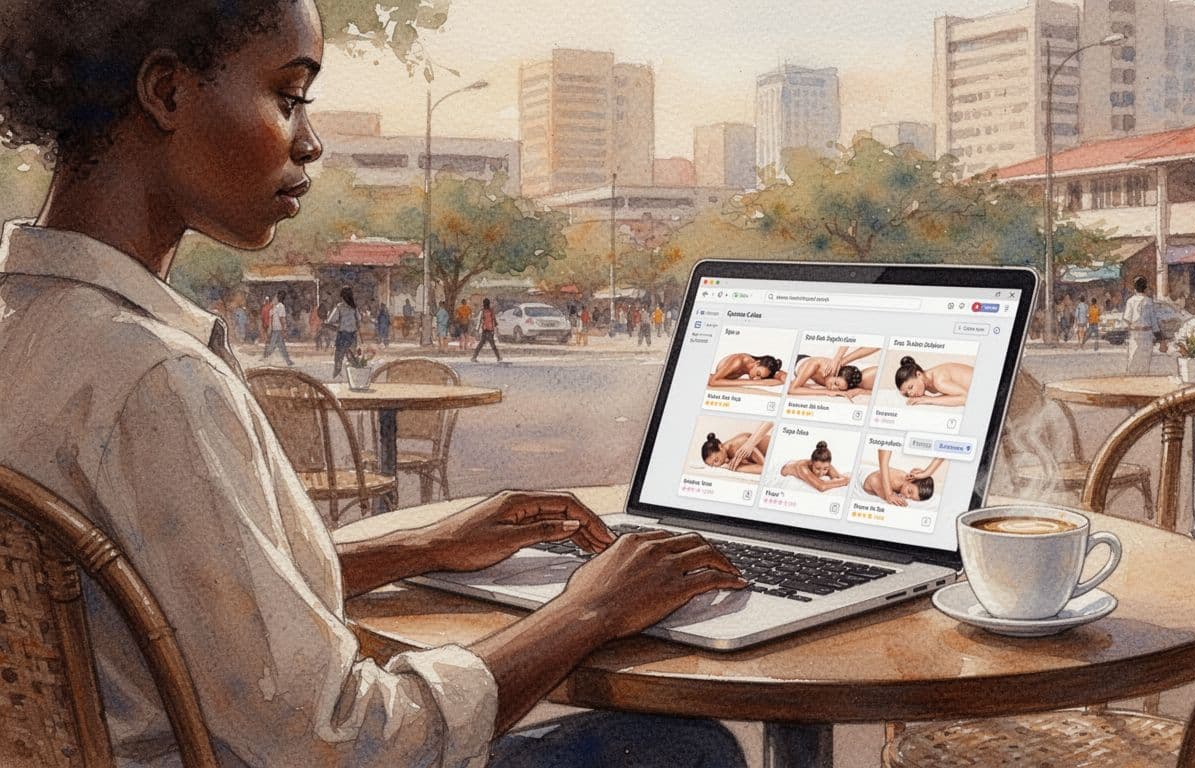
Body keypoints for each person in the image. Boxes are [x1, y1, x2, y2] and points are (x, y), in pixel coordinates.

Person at [0, 3, 749, 766]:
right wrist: (589, 610)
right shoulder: (155, 378)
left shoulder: (28, 325)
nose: (311, 141)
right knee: (685, 750)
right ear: (166, 93)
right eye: (289, 98)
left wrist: (422, 544)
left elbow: (185, 599)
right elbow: (340, 739)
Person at [787, 346, 879, 399]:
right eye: (836, 383)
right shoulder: (814, 365)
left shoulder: (843, 381)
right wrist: (825, 392)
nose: (834, 389)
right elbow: (792, 390)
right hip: (797, 361)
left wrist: (860, 391)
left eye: (839, 389)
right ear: (836, 373)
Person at [863, 453, 944, 507]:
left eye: (911, 498)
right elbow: (873, 480)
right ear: (910, 479)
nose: (907, 496)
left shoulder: (906, 484)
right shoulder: (897, 481)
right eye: (909, 492)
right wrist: (888, 495)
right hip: (869, 485)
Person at [894, 356, 973, 407]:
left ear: (919, 374)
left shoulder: (939, 380)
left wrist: (929, 400)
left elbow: (966, 398)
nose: (910, 393)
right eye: (907, 393)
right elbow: (953, 394)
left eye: (910, 387)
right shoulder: (930, 379)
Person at [701, 422, 774, 473]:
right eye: (712, 465)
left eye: (716, 460)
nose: (717, 465)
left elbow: (765, 468)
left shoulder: (737, 445)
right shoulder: (729, 452)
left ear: (720, 447)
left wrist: (735, 468)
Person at [780, 441, 849, 493]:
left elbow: (838, 478)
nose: (821, 473)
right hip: (783, 466)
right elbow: (822, 486)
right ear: (811, 462)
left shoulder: (826, 465)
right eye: (818, 469)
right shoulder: (802, 467)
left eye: (825, 469)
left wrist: (843, 480)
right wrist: (843, 481)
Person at [1124, 275, 1160, 374]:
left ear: (1134, 288)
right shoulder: (1149, 301)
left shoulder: (1130, 301)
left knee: (1133, 359)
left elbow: (1127, 319)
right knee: (1145, 360)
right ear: (1145, 287)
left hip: (1135, 333)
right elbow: (1154, 321)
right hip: (1147, 333)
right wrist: (1159, 337)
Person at [327, 286, 361, 378]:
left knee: (339, 357)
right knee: (352, 357)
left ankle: (336, 375)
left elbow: (330, 321)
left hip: (343, 335)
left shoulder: (339, 307)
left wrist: (337, 326)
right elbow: (359, 320)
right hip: (352, 335)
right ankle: (355, 376)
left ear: (342, 296)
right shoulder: (354, 307)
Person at [707, 352, 786, 388]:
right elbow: (713, 381)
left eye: (761, 378)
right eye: (758, 374)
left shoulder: (755, 368)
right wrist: (755, 383)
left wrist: (779, 374)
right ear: (757, 363)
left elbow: (784, 378)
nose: (756, 379)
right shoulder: (739, 361)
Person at [260, 289, 294, 365]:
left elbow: (271, 316)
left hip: (275, 328)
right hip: (278, 328)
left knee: (281, 346)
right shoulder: (281, 306)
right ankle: (265, 357)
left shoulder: (275, 306)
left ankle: (288, 360)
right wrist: (284, 328)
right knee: (274, 345)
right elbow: (282, 318)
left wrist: (270, 327)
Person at [472, 297, 503, 363]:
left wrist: (477, 329)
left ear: (483, 304)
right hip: (490, 330)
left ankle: (474, 357)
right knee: (493, 345)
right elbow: (494, 320)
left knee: (480, 345)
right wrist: (495, 328)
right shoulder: (491, 311)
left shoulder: (482, 311)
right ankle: (498, 357)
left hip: (484, 330)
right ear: (489, 304)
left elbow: (479, 321)